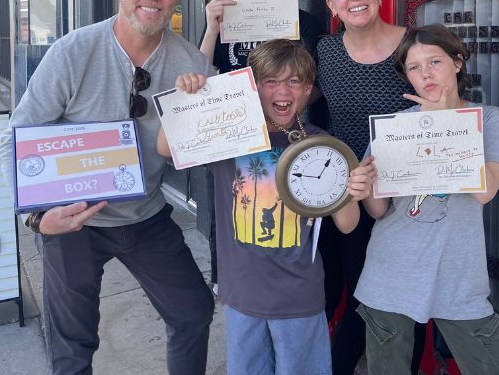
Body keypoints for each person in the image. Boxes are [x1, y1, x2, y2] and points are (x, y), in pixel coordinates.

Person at [0, 0, 216, 375]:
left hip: (146, 217)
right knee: (72, 343)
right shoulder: (74, 52)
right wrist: (37, 217)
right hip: (74, 220)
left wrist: (198, 114)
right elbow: (14, 138)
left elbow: (199, 148)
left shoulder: (191, 64)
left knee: (193, 311)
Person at [157, 39, 376, 375]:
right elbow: (165, 148)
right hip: (243, 295)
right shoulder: (229, 137)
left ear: (307, 90)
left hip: (300, 298)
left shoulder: (322, 144)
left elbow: (347, 225)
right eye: (270, 81)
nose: (282, 91)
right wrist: (187, 100)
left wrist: (350, 191)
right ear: (252, 87)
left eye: (294, 81)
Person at [356, 24, 499, 374]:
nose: (425, 74)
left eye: (435, 62)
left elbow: (484, 191)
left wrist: (445, 122)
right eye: (414, 67)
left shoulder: (486, 120)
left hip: (459, 278)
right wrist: (366, 187)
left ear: (457, 62)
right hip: (390, 274)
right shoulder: (393, 126)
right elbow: (380, 211)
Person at [198, 0, 325, 294]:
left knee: (285, 212)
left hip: (289, 134)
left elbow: (315, 85)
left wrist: (285, 109)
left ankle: (288, 288)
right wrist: (210, 28)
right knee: (229, 206)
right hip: (234, 133)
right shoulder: (225, 12)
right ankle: (229, 283)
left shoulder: (308, 23)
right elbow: (201, 76)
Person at [315, 0, 416, 374]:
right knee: (354, 297)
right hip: (349, 197)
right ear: (331, 5)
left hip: (409, 197)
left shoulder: (413, 44)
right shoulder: (325, 50)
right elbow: (293, 97)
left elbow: (443, 104)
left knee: (406, 302)